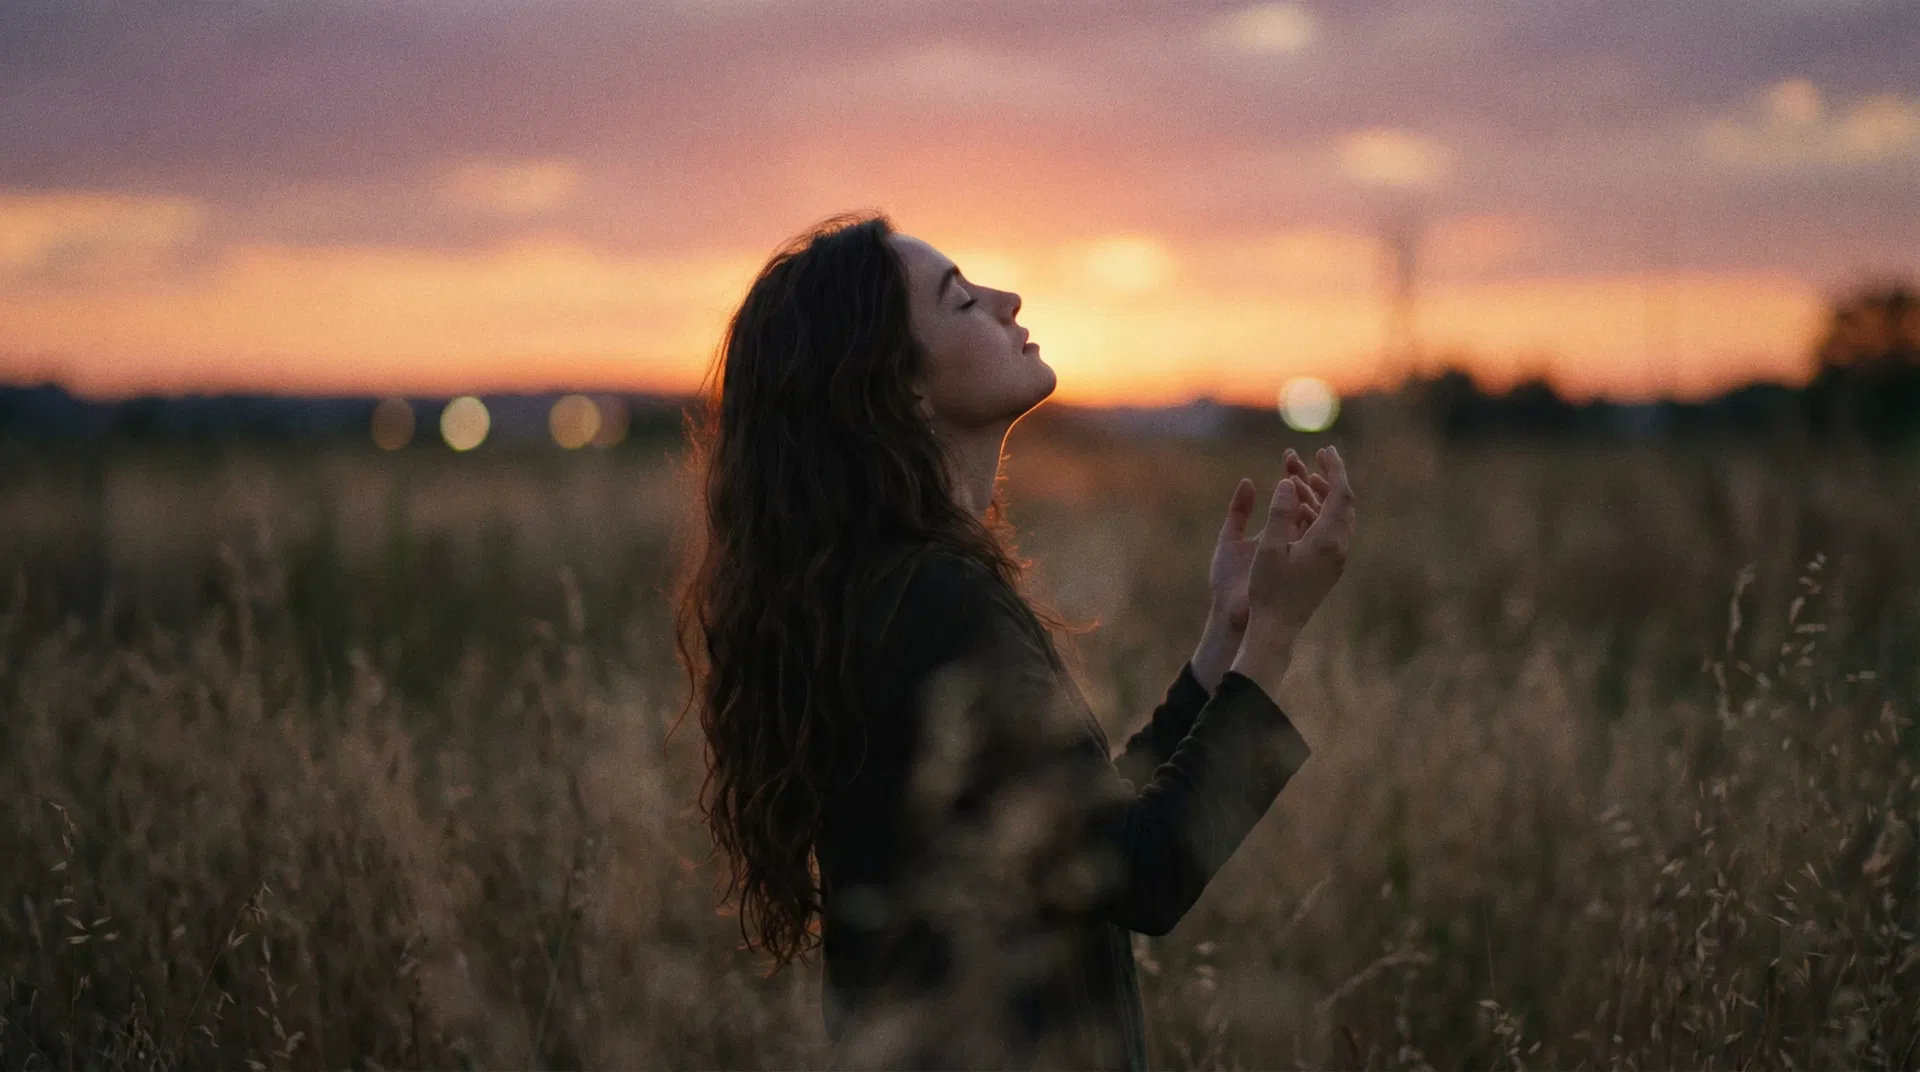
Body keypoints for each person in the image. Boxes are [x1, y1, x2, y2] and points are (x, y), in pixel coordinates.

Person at [674, 211, 1356, 1070]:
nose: (1008, 299)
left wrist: (1232, 632)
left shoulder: (896, 586)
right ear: (898, 388)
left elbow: (1087, 832)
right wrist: (1281, 637)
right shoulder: (930, 599)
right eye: (961, 302)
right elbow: (1142, 875)